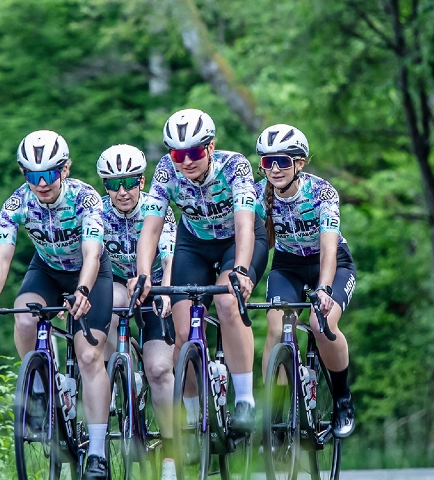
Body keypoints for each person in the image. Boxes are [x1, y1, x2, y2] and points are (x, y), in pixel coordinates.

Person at [0, 130, 118, 479]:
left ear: (65, 169)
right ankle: (42, 393)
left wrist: (83, 290)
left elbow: (92, 252)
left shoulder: (86, 199)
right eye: (32, 175)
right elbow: (2, 256)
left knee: (89, 356)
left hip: (90, 272)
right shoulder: (16, 204)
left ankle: (97, 454)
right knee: (24, 319)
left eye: (50, 173)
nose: (41, 183)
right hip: (48, 270)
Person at [133, 109, 268, 437]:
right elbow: (151, 229)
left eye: (193, 153)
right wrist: (143, 274)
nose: (186, 162)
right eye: (178, 154)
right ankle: (194, 418)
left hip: (237, 242)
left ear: (210, 147)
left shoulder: (234, 166)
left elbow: (245, 223)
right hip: (194, 244)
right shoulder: (166, 170)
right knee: (183, 333)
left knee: (227, 303)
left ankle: (245, 400)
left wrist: (241, 270)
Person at [253, 124, 357, 438]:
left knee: (320, 324)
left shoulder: (322, 193)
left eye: (282, 161)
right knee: (276, 328)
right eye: (267, 162)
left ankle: (342, 398)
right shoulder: (256, 195)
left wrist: (324, 288)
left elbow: (329, 247)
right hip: (288, 266)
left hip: (332, 263)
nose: (274, 169)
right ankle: (275, 411)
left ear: (299, 163)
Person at [95, 144, 183, 476]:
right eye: (113, 184)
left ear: (142, 181)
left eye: (130, 182)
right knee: (111, 301)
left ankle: (171, 454)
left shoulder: (156, 208)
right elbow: (85, 258)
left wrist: (167, 293)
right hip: (118, 283)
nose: (122, 191)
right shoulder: (97, 212)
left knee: (159, 369)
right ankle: (117, 369)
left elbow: (169, 256)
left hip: (156, 285)